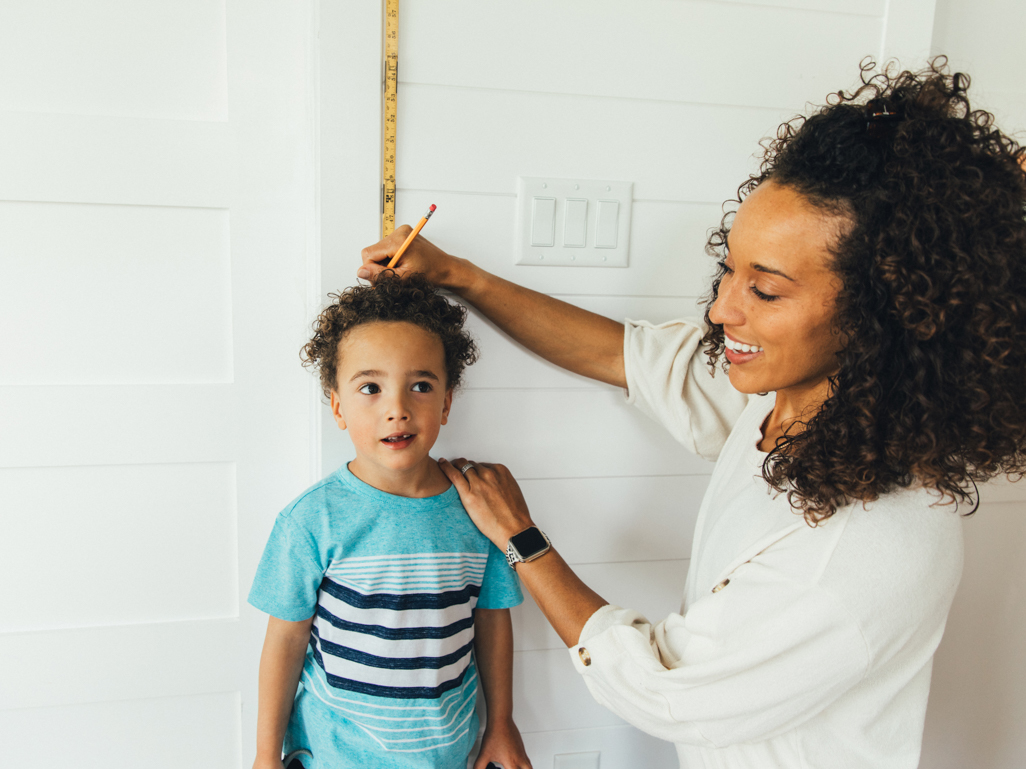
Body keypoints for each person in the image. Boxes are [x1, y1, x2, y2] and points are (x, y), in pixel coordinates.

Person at [356, 61, 1026, 768]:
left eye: (765, 291)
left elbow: (660, 687)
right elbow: (625, 356)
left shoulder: (870, 546)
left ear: (882, 316)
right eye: (729, 268)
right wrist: (459, 275)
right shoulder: (784, 395)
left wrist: (523, 540)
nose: (720, 309)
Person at [248, 274, 532, 769]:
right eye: (371, 388)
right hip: (336, 755)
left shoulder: (479, 509)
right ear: (337, 407)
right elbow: (285, 641)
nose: (397, 409)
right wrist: (264, 756)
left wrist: (501, 723)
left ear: (446, 403)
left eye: (420, 386)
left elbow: (491, 620)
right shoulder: (311, 520)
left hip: (447, 752)